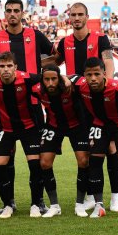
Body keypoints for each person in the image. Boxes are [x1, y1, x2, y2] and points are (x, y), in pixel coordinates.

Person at [0, 0, 54, 214]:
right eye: (9, 11)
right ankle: (9, 202)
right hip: (5, 108)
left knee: (37, 159)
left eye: (16, 11)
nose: (12, 14)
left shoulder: (35, 35)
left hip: (32, 106)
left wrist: (42, 70)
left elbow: (55, 56)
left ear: (22, 13)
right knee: (5, 159)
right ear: (4, 13)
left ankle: (38, 201)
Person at [53, 2, 118, 212]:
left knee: (111, 149)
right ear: (69, 17)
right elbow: (52, 64)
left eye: (80, 14)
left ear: (86, 16)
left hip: (101, 101)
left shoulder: (100, 39)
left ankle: (115, 198)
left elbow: (108, 63)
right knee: (90, 152)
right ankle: (92, 196)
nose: (76, 18)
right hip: (78, 105)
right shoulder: (64, 42)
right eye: (73, 14)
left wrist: (106, 87)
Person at [72, 57, 118, 218]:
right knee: (94, 161)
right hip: (99, 125)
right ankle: (99, 206)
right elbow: (68, 79)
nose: (93, 78)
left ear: (104, 73)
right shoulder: (81, 86)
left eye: (97, 74)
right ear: (84, 75)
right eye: (89, 75)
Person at [0, 52, 43, 219]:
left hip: (28, 127)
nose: (6, 69)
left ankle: (35, 204)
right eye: (2, 66)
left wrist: (64, 78)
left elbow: (49, 79)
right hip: (5, 128)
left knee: (35, 164)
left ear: (16, 67)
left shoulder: (28, 79)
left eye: (9, 66)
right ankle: (8, 204)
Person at [32, 64, 90, 218]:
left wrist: (66, 78)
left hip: (77, 126)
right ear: (42, 80)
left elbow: (80, 77)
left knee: (83, 162)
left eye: (54, 79)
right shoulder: (37, 89)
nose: (50, 83)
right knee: (44, 163)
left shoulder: (70, 85)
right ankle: (54, 205)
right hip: (53, 125)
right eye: (47, 79)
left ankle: (79, 204)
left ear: (59, 78)